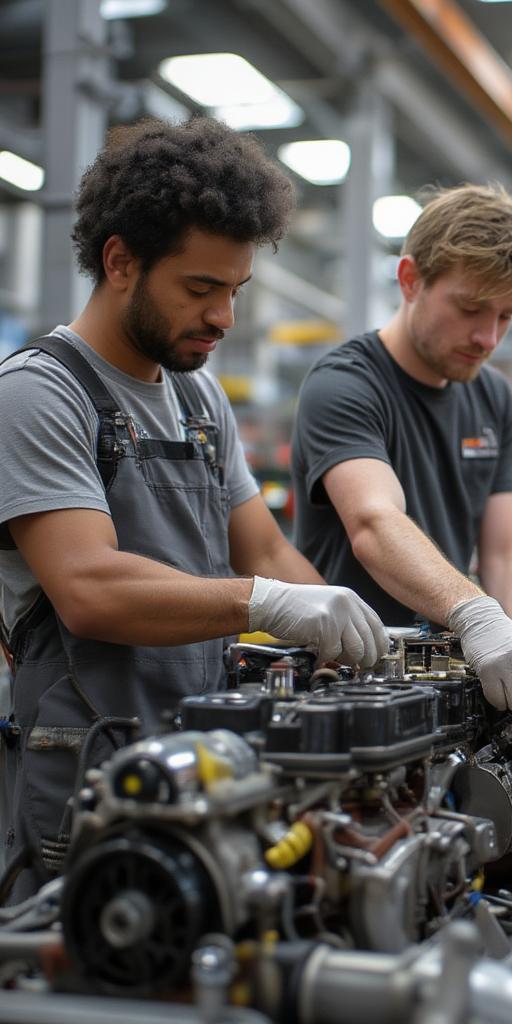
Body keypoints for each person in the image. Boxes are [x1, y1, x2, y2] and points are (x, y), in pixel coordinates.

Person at [0, 118, 387, 901]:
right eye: (201, 289)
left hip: (206, 767)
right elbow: (89, 587)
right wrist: (266, 605)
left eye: (235, 291)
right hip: (92, 780)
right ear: (120, 263)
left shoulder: (197, 396)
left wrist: (359, 640)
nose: (224, 318)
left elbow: (267, 554)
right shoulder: (38, 393)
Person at [291, 184, 512, 728]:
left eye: (506, 317)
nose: (488, 337)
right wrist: (477, 615)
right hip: (356, 682)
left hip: (451, 683)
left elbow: (506, 551)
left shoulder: (492, 396)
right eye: (470, 308)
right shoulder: (345, 385)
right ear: (410, 280)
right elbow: (375, 521)